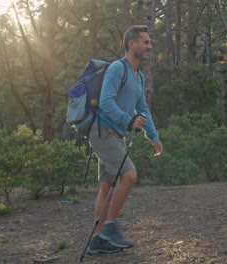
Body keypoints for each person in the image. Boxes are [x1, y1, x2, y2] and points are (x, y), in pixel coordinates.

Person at [86, 25, 164, 254]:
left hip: (116, 134)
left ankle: (98, 240)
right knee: (129, 175)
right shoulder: (116, 69)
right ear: (132, 44)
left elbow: (143, 109)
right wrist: (128, 121)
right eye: (146, 42)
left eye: (150, 43)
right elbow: (106, 101)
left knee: (108, 186)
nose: (150, 46)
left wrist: (154, 136)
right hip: (103, 131)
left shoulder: (138, 76)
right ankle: (110, 227)